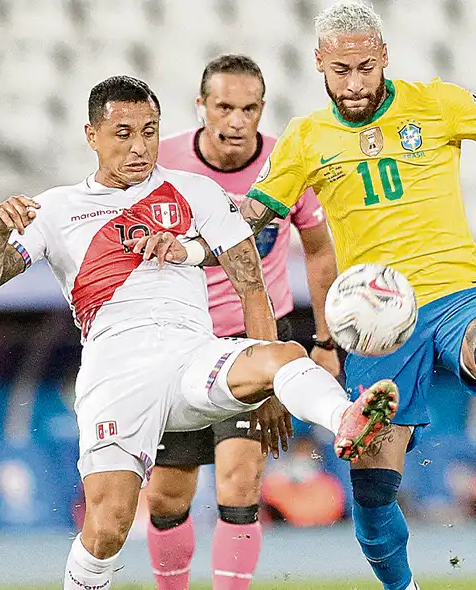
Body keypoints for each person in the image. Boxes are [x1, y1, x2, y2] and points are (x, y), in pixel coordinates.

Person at [132, 2, 476, 586]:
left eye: (366, 67)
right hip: (374, 319)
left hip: (456, 290)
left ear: (384, 56)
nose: (355, 84)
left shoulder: (437, 103)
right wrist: (185, 248)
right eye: (341, 72)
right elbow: (250, 220)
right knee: (372, 485)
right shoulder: (306, 140)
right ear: (319, 65)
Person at [0, 74, 397, 589]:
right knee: (109, 526)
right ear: (91, 134)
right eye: (123, 133)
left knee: (283, 352)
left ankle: (344, 418)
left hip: (194, 357)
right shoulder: (57, 208)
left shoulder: (195, 192)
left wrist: (268, 395)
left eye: (150, 131)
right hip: (117, 374)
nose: (140, 146)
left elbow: (251, 282)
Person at [146, 54, 340, 590]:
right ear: (202, 106)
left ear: (262, 109)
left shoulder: (288, 163)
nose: (236, 121)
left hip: (256, 338)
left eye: (249, 108)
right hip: (180, 341)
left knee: (240, 478)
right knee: (167, 494)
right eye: (224, 107)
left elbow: (320, 251)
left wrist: (325, 341)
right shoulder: (162, 163)